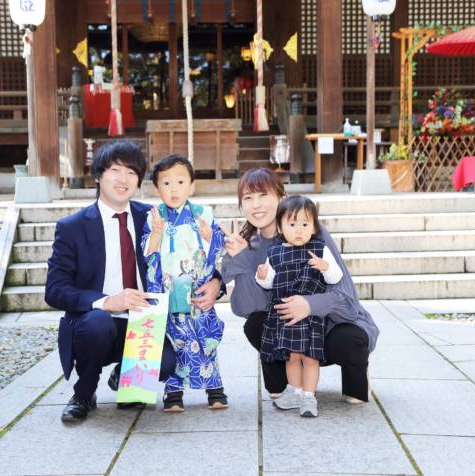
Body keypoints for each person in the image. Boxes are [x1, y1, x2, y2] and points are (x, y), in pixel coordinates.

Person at [45, 141, 223, 423]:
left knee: (169, 362)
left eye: (131, 172)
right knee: (97, 323)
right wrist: (106, 301)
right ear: (97, 176)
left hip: (145, 322)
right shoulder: (72, 227)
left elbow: (194, 252)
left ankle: (126, 377)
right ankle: (83, 392)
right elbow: (54, 290)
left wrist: (216, 283)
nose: (123, 179)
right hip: (96, 322)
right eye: (115, 170)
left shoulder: (153, 218)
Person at [220, 168, 378, 405]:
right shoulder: (249, 245)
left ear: (281, 198)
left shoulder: (312, 233)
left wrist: (309, 304)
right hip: (290, 332)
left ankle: (355, 380)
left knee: (350, 337)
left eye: (263, 195)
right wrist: (242, 259)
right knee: (255, 324)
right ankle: (286, 382)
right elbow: (248, 307)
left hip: (327, 326)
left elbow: (347, 298)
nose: (256, 205)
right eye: (248, 198)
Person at [142, 154, 228, 412]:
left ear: (192, 185)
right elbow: (147, 254)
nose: (174, 188)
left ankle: (215, 390)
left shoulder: (203, 214)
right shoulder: (153, 217)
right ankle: (174, 394)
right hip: (169, 291)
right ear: (157, 188)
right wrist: (157, 232)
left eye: (180, 181)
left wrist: (210, 236)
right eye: (166, 183)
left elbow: (219, 248)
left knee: (205, 341)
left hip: (197, 290)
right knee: (176, 341)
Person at [255, 196, 343, 417]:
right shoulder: (274, 253)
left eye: (305, 224)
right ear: (280, 227)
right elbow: (268, 282)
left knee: (309, 357)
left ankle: (309, 396)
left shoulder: (320, 248)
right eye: (292, 224)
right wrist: (262, 275)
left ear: (314, 226)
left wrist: (325, 267)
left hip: (310, 315)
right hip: (285, 314)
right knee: (292, 356)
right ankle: (294, 390)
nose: (298, 230)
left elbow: (335, 277)